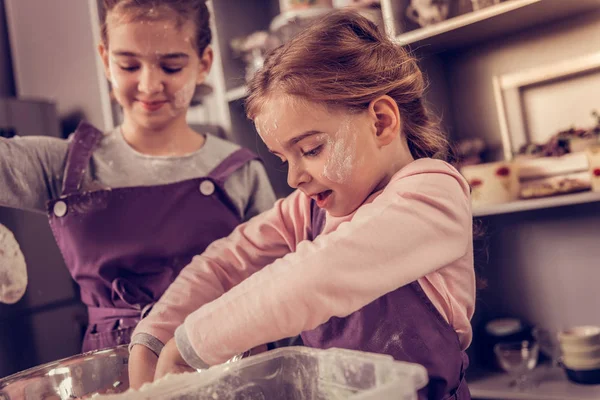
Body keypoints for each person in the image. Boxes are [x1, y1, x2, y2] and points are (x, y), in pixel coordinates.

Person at [129, 10, 475, 399]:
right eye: (284, 159)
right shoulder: (306, 210)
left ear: (380, 121)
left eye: (310, 149)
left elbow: (322, 273)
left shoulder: (433, 195)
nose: (294, 178)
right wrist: (156, 336)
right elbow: (224, 264)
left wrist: (194, 343)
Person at [0, 0, 275, 354]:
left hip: (227, 358)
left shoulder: (240, 172)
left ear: (204, 63)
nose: (148, 85)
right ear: (104, 60)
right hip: (116, 373)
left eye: (171, 66)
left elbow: (274, 290)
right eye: (128, 65)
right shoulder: (64, 165)